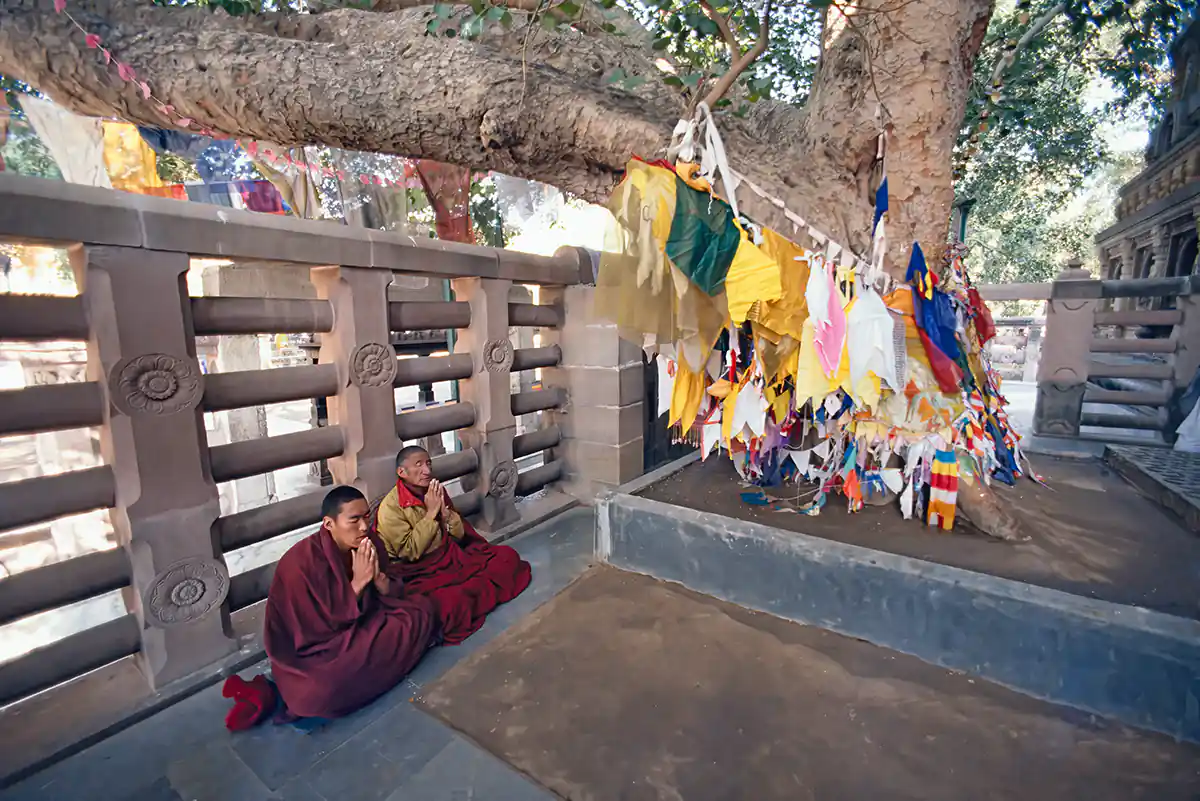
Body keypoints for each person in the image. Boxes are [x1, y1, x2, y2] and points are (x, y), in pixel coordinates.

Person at [264, 485, 439, 721]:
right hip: (317, 649)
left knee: (421, 612)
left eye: (367, 516)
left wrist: (380, 582)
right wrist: (357, 584)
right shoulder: (299, 565)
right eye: (354, 520)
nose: (365, 526)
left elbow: (389, 593)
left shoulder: (370, 542)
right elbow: (309, 632)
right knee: (314, 692)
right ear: (329, 524)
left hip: (365, 625)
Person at [373, 446, 532, 644]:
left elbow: (459, 536)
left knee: (507, 556)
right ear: (401, 472)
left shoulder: (433, 490)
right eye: (418, 465)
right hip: (418, 571)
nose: (427, 471)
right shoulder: (391, 508)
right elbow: (409, 552)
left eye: (428, 463)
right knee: (451, 602)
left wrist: (447, 516)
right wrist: (431, 515)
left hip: (450, 557)